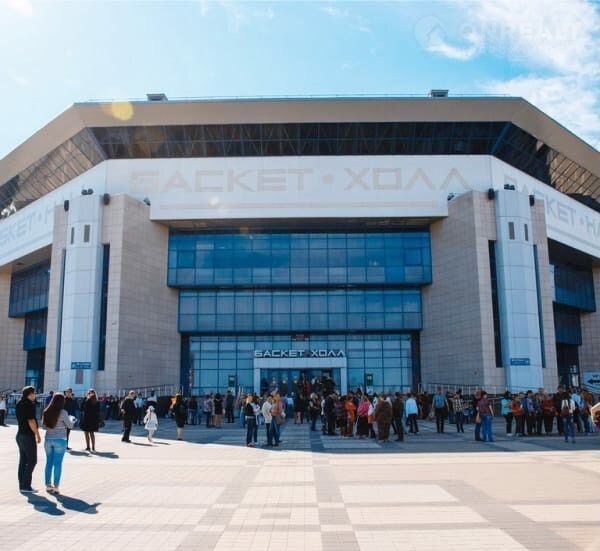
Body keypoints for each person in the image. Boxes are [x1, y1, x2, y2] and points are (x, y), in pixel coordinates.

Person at [41, 392, 74, 494]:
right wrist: (72, 420)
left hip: (48, 439)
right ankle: (56, 486)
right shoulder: (63, 412)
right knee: (58, 464)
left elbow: (43, 427)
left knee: (49, 463)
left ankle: (48, 485)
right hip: (60, 439)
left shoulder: (46, 411)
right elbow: (70, 426)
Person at [15, 386, 41, 492]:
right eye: (34, 393)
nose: (35, 395)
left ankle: (22, 485)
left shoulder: (19, 403)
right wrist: (37, 434)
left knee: (23, 460)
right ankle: (25, 485)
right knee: (32, 460)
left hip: (20, 435)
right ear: (30, 394)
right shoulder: (29, 404)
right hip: (27, 436)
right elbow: (31, 421)